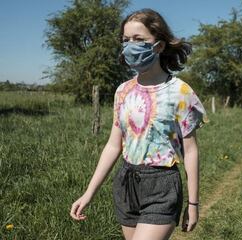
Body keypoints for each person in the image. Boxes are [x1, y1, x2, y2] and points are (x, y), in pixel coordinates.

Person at [70, 8, 207, 240]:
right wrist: (89, 193)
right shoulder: (123, 91)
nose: (130, 46)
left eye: (139, 39)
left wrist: (193, 203)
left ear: (159, 45)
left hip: (161, 186)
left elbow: (191, 150)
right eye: (126, 40)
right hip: (126, 183)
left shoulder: (180, 92)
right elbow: (114, 146)